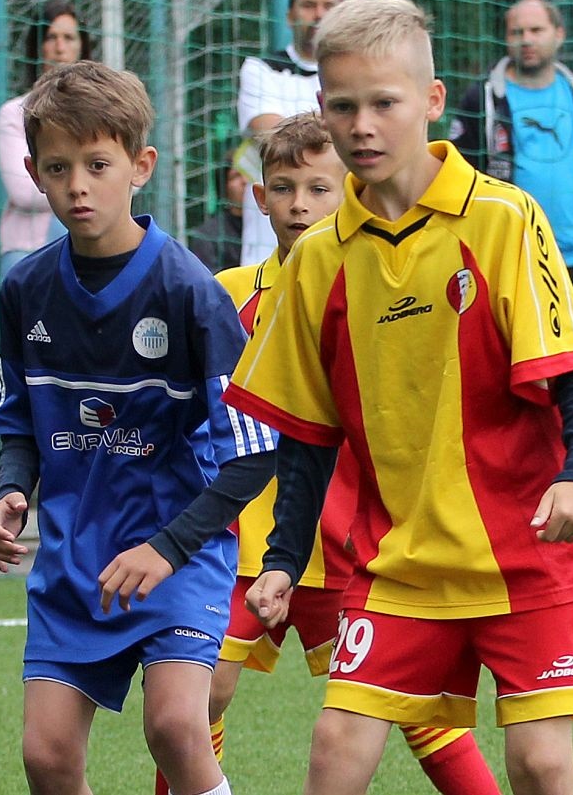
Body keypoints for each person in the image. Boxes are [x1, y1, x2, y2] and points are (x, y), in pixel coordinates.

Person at [222, 0, 573, 795]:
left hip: (525, 555)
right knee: (336, 748)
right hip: (398, 565)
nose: (361, 125)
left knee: (540, 762)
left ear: (432, 101)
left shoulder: (503, 218)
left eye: (383, 103)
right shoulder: (319, 258)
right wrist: (286, 558)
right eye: (342, 106)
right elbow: (308, 433)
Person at [0, 60, 276, 795]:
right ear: (34, 173)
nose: (78, 185)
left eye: (98, 164)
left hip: (178, 553)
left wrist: (168, 547)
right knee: (47, 758)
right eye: (58, 168)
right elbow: (18, 418)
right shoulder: (24, 290)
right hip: (75, 559)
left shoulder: (189, 292)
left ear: (140, 166)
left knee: (175, 727)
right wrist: (12, 487)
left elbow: (254, 451)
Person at [199, 112, 502, 795]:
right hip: (245, 543)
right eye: (283, 188)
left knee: (417, 708)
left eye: (319, 188)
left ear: (351, 193)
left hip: (352, 540)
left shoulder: (380, 288)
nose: (299, 204)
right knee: (198, 693)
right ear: (259, 197)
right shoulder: (225, 294)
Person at [448, 0, 573, 363]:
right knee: (518, 369)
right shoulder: (483, 100)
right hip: (510, 261)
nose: (526, 39)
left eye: (536, 30)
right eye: (517, 32)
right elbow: (459, 175)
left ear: (559, 34)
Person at [234, 0, 341, 266]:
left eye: (328, 6)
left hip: (335, 246)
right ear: (290, 15)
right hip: (266, 246)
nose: (319, 14)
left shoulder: (353, 75)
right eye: (309, 5)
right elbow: (273, 136)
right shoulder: (261, 69)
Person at [0, 0, 92, 280]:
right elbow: (22, 191)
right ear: (37, 46)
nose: (60, 47)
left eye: (68, 37)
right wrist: (94, 188)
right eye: (51, 37)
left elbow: (126, 181)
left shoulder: (102, 114)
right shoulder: (14, 113)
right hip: (27, 251)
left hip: (91, 247)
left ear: (82, 46)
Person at [187, 154, 246, 273]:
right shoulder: (207, 235)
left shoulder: (272, 229)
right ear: (224, 187)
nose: (245, 181)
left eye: (249, 174)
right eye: (236, 176)